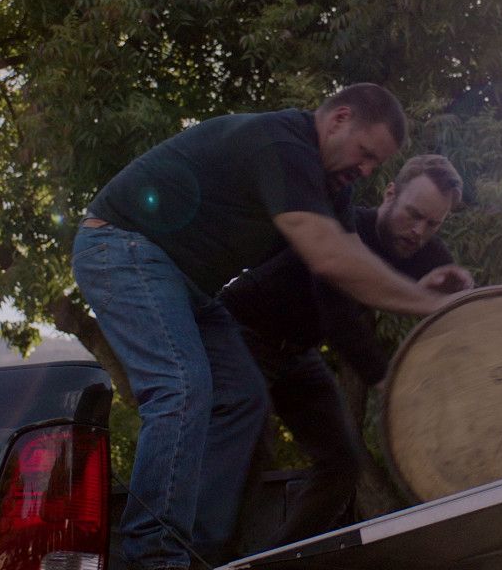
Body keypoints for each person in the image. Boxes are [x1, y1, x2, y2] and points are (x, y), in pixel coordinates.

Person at [72, 83, 450, 570]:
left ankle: (199, 552)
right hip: (121, 248)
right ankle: (154, 555)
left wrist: (435, 283)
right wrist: (426, 304)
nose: (366, 170)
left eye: (376, 165)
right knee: (183, 388)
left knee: (242, 398)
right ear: (338, 120)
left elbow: (356, 257)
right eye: (365, 154)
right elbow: (331, 257)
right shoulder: (283, 144)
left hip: (189, 288)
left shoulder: (331, 186)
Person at [221, 154, 474, 550]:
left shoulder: (421, 245)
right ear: (391, 193)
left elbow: (451, 294)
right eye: (413, 214)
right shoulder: (346, 229)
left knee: (343, 462)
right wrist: (388, 381)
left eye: (433, 224)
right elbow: (339, 321)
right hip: (241, 333)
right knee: (251, 446)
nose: (418, 231)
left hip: (297, 354)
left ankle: (281, 559)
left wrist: (461, 287)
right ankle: (216, 559)